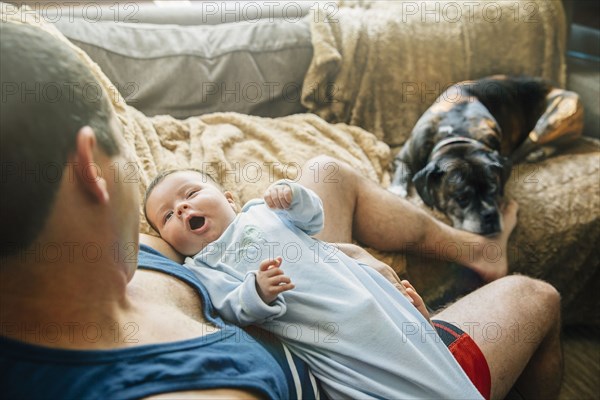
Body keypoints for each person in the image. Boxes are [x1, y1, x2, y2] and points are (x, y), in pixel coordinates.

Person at [0, 20, 563, 400]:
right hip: (356, 369)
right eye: (163, 212)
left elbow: (275, 227)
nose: (176, 214)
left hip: (326, 291)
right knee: (538, 296)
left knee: (323, 172)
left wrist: (343, 261)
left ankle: (477, 250)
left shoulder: (134, 257)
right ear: (92, 169)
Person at [144, 169, 489, 399]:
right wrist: (257, 292)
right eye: (168, 215)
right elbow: (230, 307)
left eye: (190, 193)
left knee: (432, 361)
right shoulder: (203, 267)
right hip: (333, 337)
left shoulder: (258, 211)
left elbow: (312, 220)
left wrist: (293, 196)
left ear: (230, 199)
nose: (183, 206)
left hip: (371, 296)